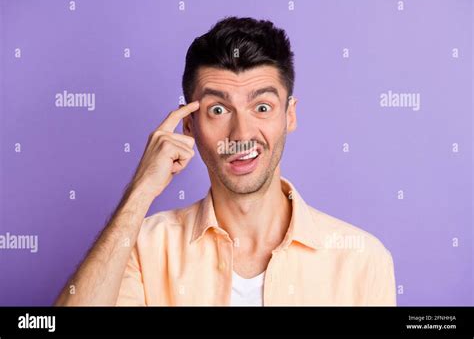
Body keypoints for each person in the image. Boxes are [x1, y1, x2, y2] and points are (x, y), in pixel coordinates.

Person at [55, 16, 396, 306]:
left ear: (289, 116)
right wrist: (140, 191)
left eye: (262, 107)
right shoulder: (142, 246)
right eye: (218, 110)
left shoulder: (361, 259)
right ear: (189, 125)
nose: (241, 132)